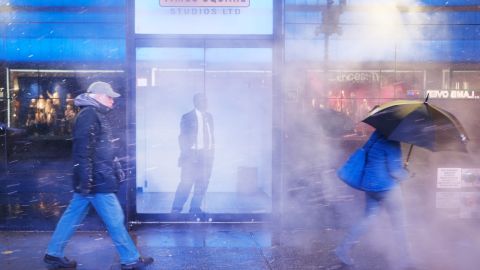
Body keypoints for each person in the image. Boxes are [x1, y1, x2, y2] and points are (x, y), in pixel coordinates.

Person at [44, 81, 153, 270]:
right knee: (114, 218)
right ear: (97, 96)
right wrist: (87, 180)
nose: (112, 101)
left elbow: (99, 149)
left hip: (92, 178)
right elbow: (83, 151)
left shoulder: (93, 115)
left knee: (72, 216)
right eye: (109, 97)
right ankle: (130, 259)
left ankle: (53, 254)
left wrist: (93, 176)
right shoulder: (89, 116)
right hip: (96, 180)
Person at [335, 130, 415, 269]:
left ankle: (343, 250)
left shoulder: (373, 140)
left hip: (370, 187)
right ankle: (406, 262)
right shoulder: (392, 143)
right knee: (399, 224)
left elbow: (375, 162)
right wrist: (408, 174)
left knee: (367, 220)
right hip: (387, 188)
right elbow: (395, 172)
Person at [171, 93, 214, 214]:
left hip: (207, 156)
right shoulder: (187, 117)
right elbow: (182, 137)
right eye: (202, 101)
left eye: (206, 101)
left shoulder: (209, 117)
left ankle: (195, 208)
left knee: (202, 183)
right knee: (186, 183)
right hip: (191, 156)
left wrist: (211, 153)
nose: (205, 103)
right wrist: (187, 154)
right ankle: (176, 209)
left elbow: (211, 135)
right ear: (195, 102)